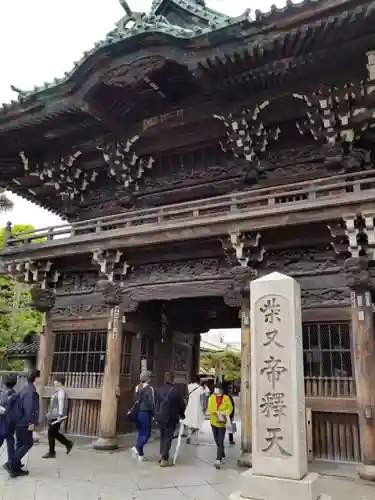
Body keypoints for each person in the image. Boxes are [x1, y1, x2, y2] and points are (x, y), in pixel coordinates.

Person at [5, 369, 40, 478]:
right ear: (36, 378)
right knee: (28, 443)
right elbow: (29, 408)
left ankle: (15, 466)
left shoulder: (25, 388)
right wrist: (31, 422)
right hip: (24, 422)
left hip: (19, 421)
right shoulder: (31, 391)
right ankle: (11, 464)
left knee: (20, 443)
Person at [154, 371, 185, 467]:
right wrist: (182, 415)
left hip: (160, 417)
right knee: (168, 437)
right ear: (173, 379)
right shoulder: (176, 391)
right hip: (171, 417)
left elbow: (155, 404)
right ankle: (164, 458)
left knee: (163, 436)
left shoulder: (158, 390)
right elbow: (181, 405)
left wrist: (155, 415)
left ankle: (162, 454)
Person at [42, 374, 73, 459]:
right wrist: (50, 413)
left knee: (51, 433)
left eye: (56, 380)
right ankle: (68, 443)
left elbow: (61, 404)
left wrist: (60, 415)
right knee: (53, 432)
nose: (54, 382)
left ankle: (52, 452)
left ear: (59, 382)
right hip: (54, 415)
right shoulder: (57, 391)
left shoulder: (61, 392)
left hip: (57, 416)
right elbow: (54, 404)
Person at [208, 383, 233, 469]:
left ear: (222, 390)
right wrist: (216, 411)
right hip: (213, 421)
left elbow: (230, 408)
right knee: (217, 440)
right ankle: (222, 453)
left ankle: (218, 460)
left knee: (220, 440)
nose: (216, 390)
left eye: (218, 388)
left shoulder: (226, 398)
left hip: (222, 422)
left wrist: (224, 412)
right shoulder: (212, 397)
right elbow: (210, 408)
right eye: (215, 388)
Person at [131, 371, 154, 462]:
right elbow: (151, 403)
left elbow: (134, 400)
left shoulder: (137, 387)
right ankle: (137, 448)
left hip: (137, 412)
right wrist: (153, 414)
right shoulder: (150, 389)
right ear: (148, 378)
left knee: (141, 433)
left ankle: (141, 455)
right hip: (145, 413)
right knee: (147, 434)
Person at [0, 374, 19, 469]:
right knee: (10, 442)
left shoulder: (3, 394)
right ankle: (11, 462)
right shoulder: (15, 395)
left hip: (4, 421)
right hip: (8, 422)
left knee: (8, 441)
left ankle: (11, 462)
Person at [181, 374, 205, 445]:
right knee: (197, 423)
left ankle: (189, 435)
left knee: (190, 421)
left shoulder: (189, 386)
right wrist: (204, 408)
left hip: (190, 405)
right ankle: (196, 440)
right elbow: (202, 399)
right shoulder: (200, 388)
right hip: (197, 406)